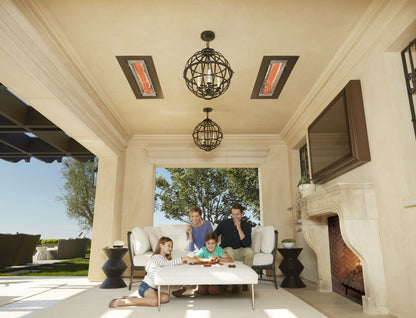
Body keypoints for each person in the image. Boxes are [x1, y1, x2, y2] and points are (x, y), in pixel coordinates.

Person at [108, 236, 195, 308]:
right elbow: (168, 264)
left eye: (171, 246)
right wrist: (184, 258)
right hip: (146, 286)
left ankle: (133, 298)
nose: (170, 248)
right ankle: (124, 301)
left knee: (166, 298)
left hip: (154, 288)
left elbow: (170, 265)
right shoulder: (156, 257)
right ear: (161, 245)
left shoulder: (164, 258)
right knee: (154, 302)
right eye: (168, 245)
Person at [172, 207, 213, 297]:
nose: (194, 219)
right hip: (196, 251)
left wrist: (202, 252)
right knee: (188, 260)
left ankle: (184, 287)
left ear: (200, 216)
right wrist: (190, 233)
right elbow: (191, 248)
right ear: (190, 217)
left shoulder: (207, 224)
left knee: (196, 259)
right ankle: (184, 287)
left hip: (207, 249)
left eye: (197, 216)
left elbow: (211, 240)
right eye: (192, 216)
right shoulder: (189, 228)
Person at [214, 202, 253, 291]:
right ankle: (234, 282)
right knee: (229, 250)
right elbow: (214, 235)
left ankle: (245, 281)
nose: (235, 217)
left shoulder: (247, 225)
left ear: (242, 214)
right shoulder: (224, 223)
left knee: (249, 252)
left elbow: (247, 244)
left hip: (239, 251)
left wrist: (239, 228)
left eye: (237, 214)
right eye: (233, 214)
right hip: (226, 251)